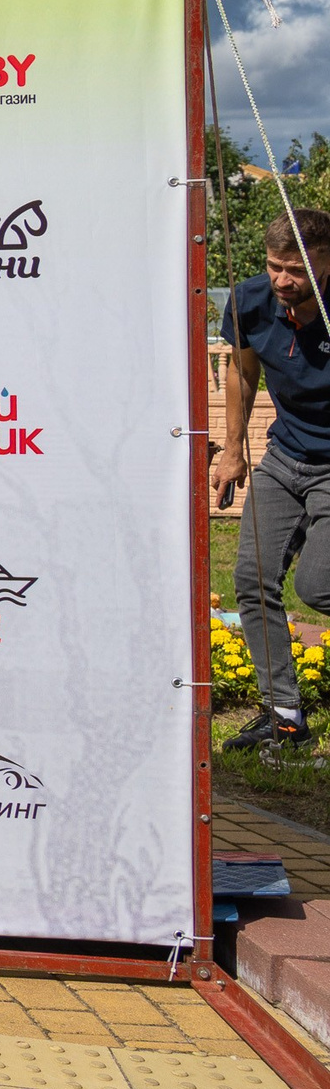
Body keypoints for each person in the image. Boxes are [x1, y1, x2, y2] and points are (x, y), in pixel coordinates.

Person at [213, 207, 330, 750]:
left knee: (317, 586)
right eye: (274, 266)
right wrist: (232, 450)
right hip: (283, 459)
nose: (282, 280)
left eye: (296, 270)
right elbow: (241, 370)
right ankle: (284, 714)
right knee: (252, 580)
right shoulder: (250, 299)